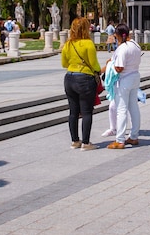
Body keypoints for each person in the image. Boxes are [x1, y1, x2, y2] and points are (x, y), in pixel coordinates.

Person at [61, 16, 100, 150]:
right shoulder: (88, 44)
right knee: (86, 112)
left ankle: (75, 141)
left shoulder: (68, 44)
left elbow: (64, 63)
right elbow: (94, 64)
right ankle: (86, 142)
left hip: (70, 78)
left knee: (73, 112)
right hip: (85, 78)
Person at [106, 23, 142, 149]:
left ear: (118, 35)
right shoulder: (135, 45)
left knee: (121, 109)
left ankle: (120, 140)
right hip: (135, 76)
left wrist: (111, 65)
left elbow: (120, 67)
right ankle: (134, 136)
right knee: (133, 107)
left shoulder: (122, 48)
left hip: (124, 79)